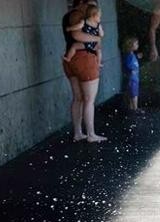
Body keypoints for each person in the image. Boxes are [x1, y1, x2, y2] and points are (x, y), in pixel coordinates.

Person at [62, 0, 107, 142]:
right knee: (89, 99)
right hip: (84, 59)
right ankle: (91, 134)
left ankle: (78, 133)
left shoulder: (71, 16)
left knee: (78, 98)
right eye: (90, 4)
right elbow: (77, 36)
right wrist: (97, 38)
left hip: (72, 59)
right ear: (82, 2)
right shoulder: (77, 15)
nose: (92, 8)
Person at [122, 37, 144, 114]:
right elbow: (128, 65)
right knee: (134, 93)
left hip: (134, 77)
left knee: (133, 92)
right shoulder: (129, 56)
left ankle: (132, 107)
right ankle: (135, 108)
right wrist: (132, 71)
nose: (137, 45)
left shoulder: (131, 55)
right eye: (136, 44)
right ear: (131, 46)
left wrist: (137, 57)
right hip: (132, 78)